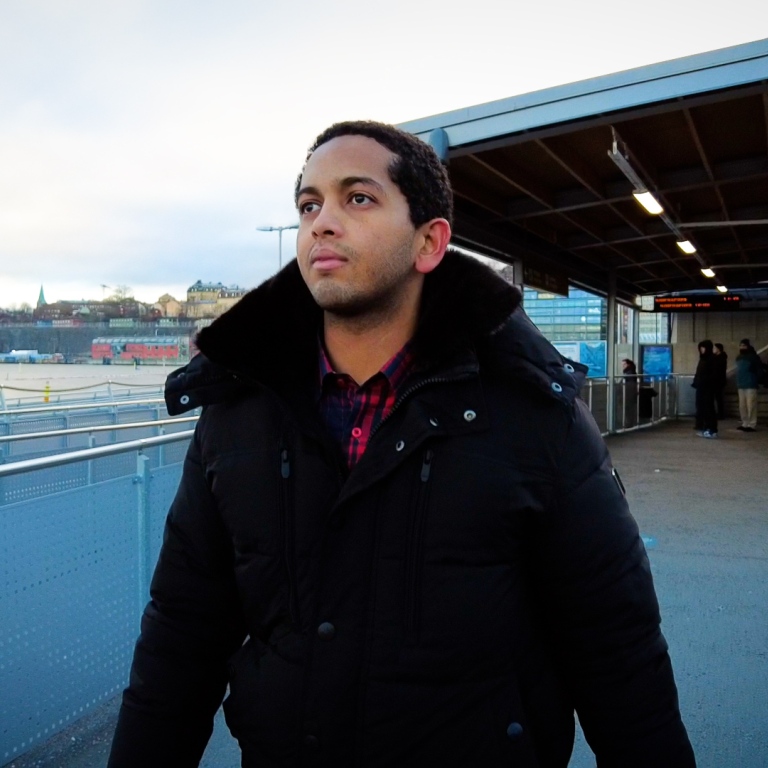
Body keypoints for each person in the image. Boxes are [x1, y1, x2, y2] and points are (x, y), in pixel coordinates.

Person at [108, 121, 695, 768]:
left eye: (357, 198)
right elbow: (181, 637)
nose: (322, 223)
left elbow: (616, 649)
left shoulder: (534, 419)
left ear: (429, 242)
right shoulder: (240, 413)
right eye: (309, 204)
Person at [692, 339, 718, 438]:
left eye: (703, 347)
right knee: (702, 407)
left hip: (708, 388)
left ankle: (712, 429)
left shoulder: (712, 359)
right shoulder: (702, 359)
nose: (701, 349)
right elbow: (698, 372)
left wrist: (706, 382)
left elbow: (714, 375)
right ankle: (706, 427)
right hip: (701, 387)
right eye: (700, 348)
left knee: (709, 408)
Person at [735, 338, 762, 432]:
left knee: (751, 405)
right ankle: (745, 423)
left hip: (750, 383)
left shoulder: (753, 357)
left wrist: (757, 378)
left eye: (744, 345)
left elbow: (759, 370)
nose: (742, 347)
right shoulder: (738, 357)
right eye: (741, 345)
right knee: (742, 406)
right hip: (741, 384)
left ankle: (751, 424)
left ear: (748, 346)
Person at [712, 343, 728, 418]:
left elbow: (718, 370)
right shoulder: (716, 357)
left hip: (718, 380)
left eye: (714, 348)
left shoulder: (721, 358)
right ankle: (719, 413)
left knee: (719, 398)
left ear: (718, 349)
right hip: (716, 380)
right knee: (717, 398)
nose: (713, 350)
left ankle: (721, 414)